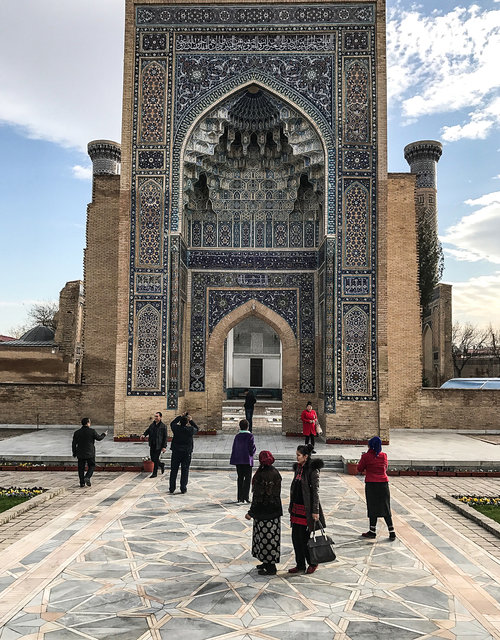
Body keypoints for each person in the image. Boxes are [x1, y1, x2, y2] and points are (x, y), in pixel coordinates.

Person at [288, 443, 325, 574]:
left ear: (306, 456)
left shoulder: (312, 470)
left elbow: (315, 492)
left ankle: (312, 562)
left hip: (307, 509)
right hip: (296, 509)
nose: (297, 457)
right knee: (295, 537)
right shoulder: (298, 468)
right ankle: (300, 564)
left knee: (305, 539)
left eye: (299, 455)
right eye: (296, 455)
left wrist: (315, 511)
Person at [245, 450, 282, 575]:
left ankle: (271, 568)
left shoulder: (261, 475)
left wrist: (251, 512)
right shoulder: (275, 472)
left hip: (264, 513)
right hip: (274, 512)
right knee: (270, 539)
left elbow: (258, 497)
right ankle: (266, 562)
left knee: (266, 540)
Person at [357, 436, 396, 540]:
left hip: (371, 484)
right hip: (383, 484)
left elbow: (359, 468)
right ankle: (391, 531)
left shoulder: (366, 456)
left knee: (372, 507)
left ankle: (372, 531)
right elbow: (385, 467)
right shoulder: (384, 456)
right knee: (385, 507)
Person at [169, 411, 199, 494]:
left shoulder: (176, 428)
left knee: (174, 470)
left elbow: (172, 423)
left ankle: (172, 488)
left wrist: (180, 416)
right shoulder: (190, 429)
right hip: (186, 453)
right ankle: (183, 488)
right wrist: (191, 420)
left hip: (176, 452)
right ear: (187, 423)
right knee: (185, 470)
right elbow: (197, 428)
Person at [72, 418, 106, 487]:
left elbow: (74, 444)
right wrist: (104, 434)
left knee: (81, 468)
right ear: (87, 423)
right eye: (89, 422)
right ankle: (87, 477)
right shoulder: (92, 431)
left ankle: (82, 482)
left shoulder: (77, 432)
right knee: (92, 466)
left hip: (80, 453)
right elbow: (99, 438)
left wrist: (74, 452)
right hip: (90, 453)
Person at [230, 419, 256, 503]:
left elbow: (234, 447)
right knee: (248, 479)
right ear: (248, 427)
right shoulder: (250, 436)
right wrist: (253, 452)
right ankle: (246, 497)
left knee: (240, 478)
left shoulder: (237, 436)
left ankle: (239, 497)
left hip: (238, 460)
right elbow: (251, 448)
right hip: (247, 460)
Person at [141, 411, 167, 478]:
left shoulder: (163, 426)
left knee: (155, 458)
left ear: (160, 417)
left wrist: (164, 446)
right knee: (153, 459)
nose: (155, 417)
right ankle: (161, 465)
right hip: (152, 444)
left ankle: (154, 473)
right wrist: (144, 435)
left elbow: (165, 437)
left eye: (157, 416)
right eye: (155, 416)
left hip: (159, 445)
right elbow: (148, 431)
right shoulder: (152, 425)